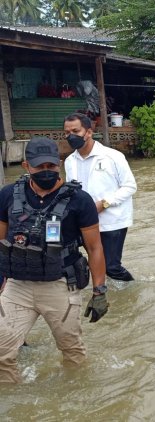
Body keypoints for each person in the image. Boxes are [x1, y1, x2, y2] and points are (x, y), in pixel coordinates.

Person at [0, 137, 108, 383]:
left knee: (72, 350)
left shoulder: (80, 200)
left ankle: (78, 397)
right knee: (2, 351)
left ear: (59, 164)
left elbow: (95, 248)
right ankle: (14, 403)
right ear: (27, 166)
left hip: (60, 285)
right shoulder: (7, 195)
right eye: (40, 167)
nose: (46, 172)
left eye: (51, 166)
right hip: (18, 287)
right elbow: (1, 242)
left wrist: (99, 291)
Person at [63, 113, 138, 282]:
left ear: (88, 132)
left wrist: (103, 204)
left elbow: (130, 186)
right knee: (86, 260)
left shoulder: (112, 156)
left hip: (112, 220)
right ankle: (100, 289)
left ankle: (131, 288)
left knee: (111, 267)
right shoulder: (70, 161)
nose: (71, 136)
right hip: (84, 221)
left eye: (75, 131)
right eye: (67, 133)